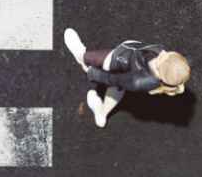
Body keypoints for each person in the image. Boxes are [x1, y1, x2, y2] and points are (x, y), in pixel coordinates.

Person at [61, 29, 190, 128]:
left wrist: (93, 73)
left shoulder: (138, 82)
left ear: (161, 71)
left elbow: (113, 79)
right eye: (169, 53)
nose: (163, 52)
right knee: (118, 88)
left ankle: (81, 56)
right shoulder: (165, 68)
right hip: (127, 71)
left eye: (164, 56)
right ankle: (101, 115)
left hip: (118, 60)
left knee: (102, 69)